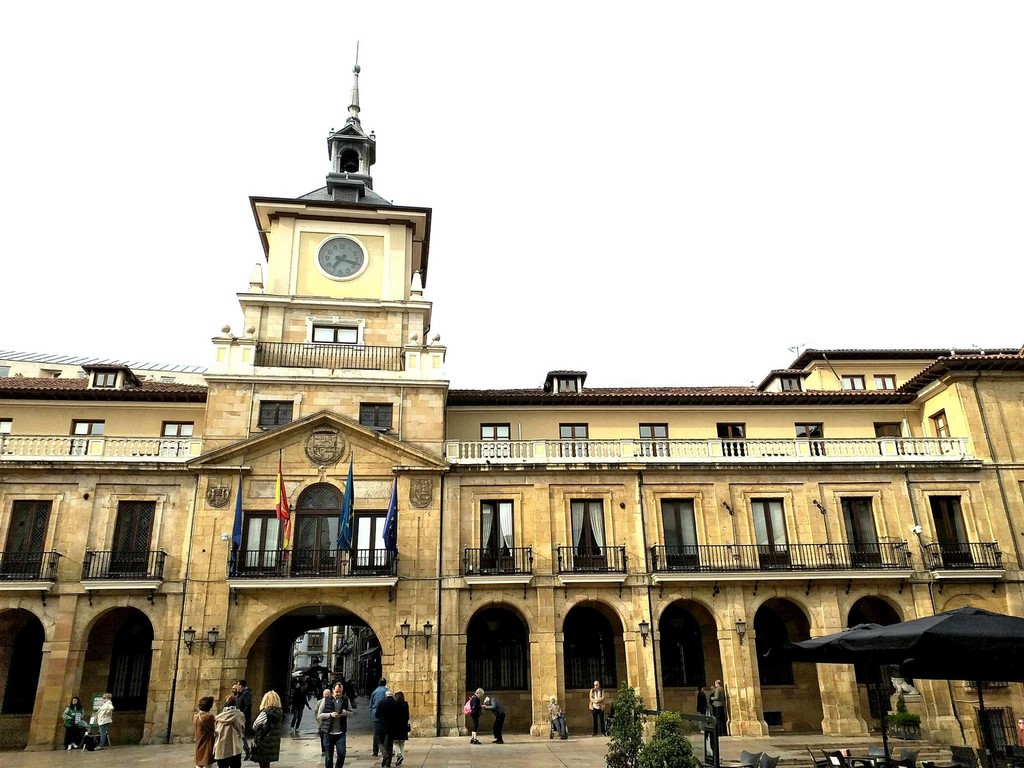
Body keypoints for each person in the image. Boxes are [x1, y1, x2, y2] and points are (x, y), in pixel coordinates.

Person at [317, 683, 349, 768]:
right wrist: (330, 715)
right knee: (328, 757)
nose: (339, 694)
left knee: (342, 753)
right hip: (328, 732)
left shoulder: (345, 699)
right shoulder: (326, 700)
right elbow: (319, 715)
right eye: (337, 691)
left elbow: (351, 712)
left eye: (340, 692)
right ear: (333, 690)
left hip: (340, 732)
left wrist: (346, 713)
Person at [249, 690, 284, 768]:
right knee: (266, 764)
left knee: (263, 764)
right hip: (273, 742)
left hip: (263, 742)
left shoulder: (266, 712)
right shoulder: (279, 712)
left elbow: (255, 725)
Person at [213, 694, 245, 768]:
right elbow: (242, 729)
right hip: (235, 747)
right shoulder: (240, 715)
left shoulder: (218, 717)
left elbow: (215, 732)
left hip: (221, 747)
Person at [377, 689, 399, 766]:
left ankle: (384, 753)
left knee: (380, 741)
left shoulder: (381, 702)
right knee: (390, 744)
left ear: (386, 696)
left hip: (382, 725)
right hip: (392, 726)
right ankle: (388, 762)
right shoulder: (395, 703)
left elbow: (377, 714)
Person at [194, 696, 216, 768]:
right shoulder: (209, 717)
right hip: (207, 744)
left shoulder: (195, 716)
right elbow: (214, 728)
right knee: (207, 764)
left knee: (198, 764)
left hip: (198, 743)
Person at [390, 691, 411, 766]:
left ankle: (399, 755)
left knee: (395, 742)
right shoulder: (405, 704)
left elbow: (392, 716)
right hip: (403, 726)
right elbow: (407, 716)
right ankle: (401, 758)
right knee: (402, 743)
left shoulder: (394, 704)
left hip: (396, 726)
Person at [369, 677, 388, 758]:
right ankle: (386, 749)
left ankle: (375, 751)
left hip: (375, 713)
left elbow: (371, 704)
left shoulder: (375, 692)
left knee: (376, 733)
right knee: (386, 732)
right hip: (384, 714)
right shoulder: (387, 691)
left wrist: (371, 713)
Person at [234, 680, 254, 757]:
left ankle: (247, 750)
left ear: (241, 686)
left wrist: (242, 714)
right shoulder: (240, 693)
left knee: (241, 734)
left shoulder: (246, 693)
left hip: (242, 717)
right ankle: (244, 750)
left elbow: (248, 705)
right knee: (239, 734)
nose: (236, 686)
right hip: (238, 716)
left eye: (238, 685)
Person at [315, 688, 332, 755]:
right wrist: (319, 721)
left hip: (330, 723)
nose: (326, 696)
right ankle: (323, 750)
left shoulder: (332, 701)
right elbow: (316, 712)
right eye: (325, 694)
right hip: (322, 723)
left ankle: (328, 749)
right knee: (322, 737)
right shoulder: (319, 702)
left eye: (328, 694)